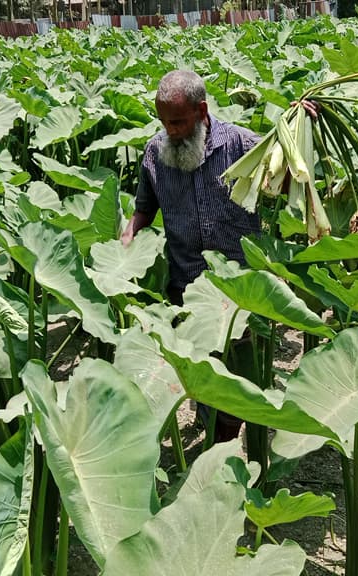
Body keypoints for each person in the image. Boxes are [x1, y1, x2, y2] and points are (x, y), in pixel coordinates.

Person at [121, 70, 262, 442]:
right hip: (186, 283)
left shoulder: (243, 145)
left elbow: (289, 171)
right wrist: (129, 233)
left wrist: (302, 126)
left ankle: (231, 441)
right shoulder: (155, 153)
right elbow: (145, 207)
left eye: (179, 121)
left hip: (237, 290)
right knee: (202, 374)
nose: (171, 130)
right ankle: (219, 440)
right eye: (164, 121)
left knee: (239, 376)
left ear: (202, 111)